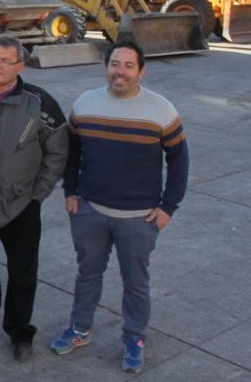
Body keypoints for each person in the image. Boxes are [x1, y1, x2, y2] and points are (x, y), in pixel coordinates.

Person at [49, 41, 189, 373]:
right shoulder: (85, 104)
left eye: (128, 65)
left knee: (135, 282)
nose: (120, 72)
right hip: (91, 212)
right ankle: (80, 329)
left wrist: (168, 207)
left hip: (138, 218)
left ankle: (134, 338)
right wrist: (71, 191)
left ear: (141, 70)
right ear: (106, 67)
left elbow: (179, 160)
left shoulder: (161, 110)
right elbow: (72, 152)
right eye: (115, 64)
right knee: (88, 274)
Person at [0, 34, 68, 362]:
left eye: (5, 60)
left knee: (22, 272)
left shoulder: (39, 101)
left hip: (21, 204)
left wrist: (39, 193)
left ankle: (20, 332)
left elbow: (58, 151)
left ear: (20, 66)